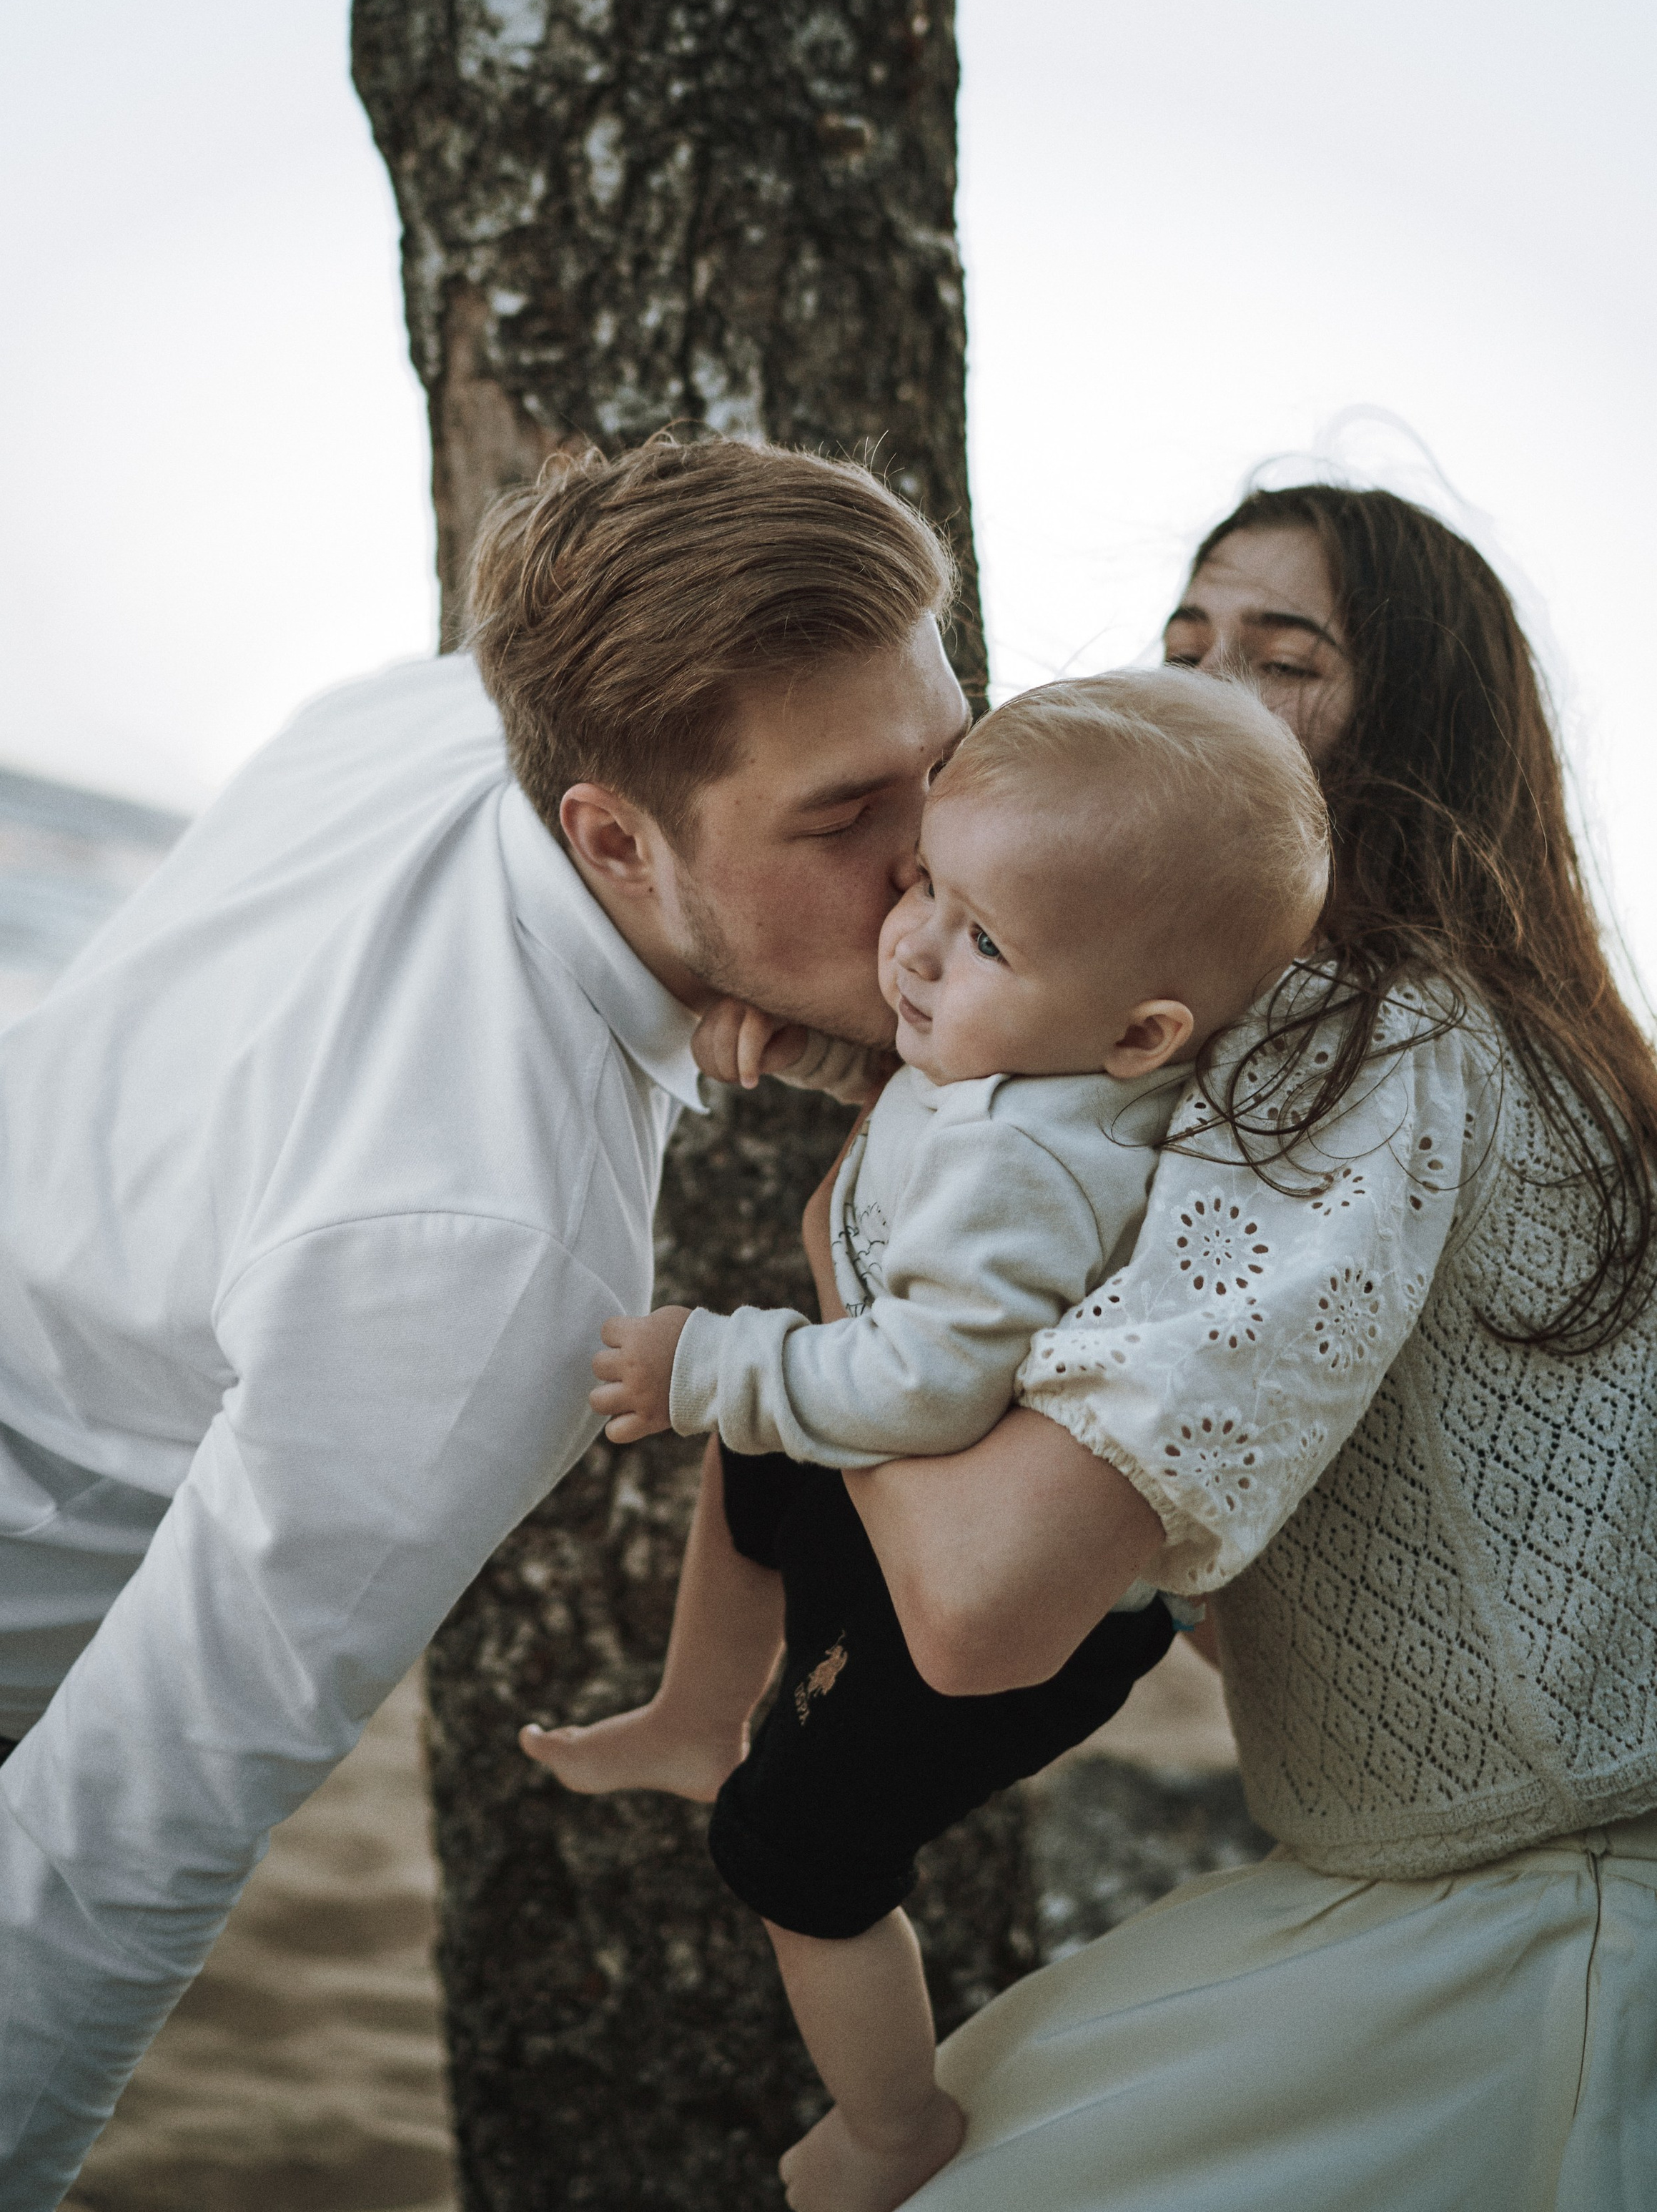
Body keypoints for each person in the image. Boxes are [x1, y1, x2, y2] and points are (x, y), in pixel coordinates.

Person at [0, 435, 974, 2208]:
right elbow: (123, 1829)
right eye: (843, 820)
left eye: (946, 766)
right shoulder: (493, 1252)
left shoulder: (432, 716)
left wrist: (872, 1043)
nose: (933, 873)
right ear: (610, 833)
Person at [813, 485, 1657, 2212]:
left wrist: (847, 1222)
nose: (1203, 689)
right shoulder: (1521, 1046)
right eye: (1184, 640)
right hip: (1489, 1885)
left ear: (1419, 736)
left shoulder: (1353, 1054)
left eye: (1284, 662)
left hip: (1517, 1946)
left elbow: (981, 1604)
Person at [524, 666, 1330, 2212]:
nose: (908, 941)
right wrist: (838, 1060)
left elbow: (924, 1386)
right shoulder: (1026, 1057)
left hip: (1002, 1618)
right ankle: (697, 1711)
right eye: (918, 886)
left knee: (795, 1850)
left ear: (1140, 1032)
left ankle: (894, 2126)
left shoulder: (1033, 1169)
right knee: (764, 1466)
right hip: (908, 1504)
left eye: (976, 937)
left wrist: (713, 1361)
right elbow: (925, 1101)